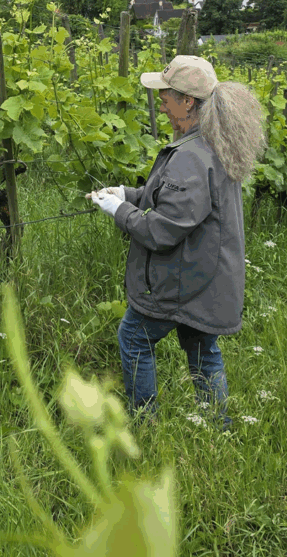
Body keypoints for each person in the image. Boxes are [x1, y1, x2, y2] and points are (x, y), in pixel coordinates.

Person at [87, 55, 265, 427]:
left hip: (182, 277)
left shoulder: (192, 156)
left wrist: (117, 210)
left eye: (166, 97)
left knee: (134, 337)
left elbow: (163, 231)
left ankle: (144, 424)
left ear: (187, 101)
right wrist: (128, 194)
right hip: (207, 274)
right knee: (202, 348)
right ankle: (218, 427)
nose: (161, 105)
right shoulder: (213, 143)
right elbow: (178, 200)